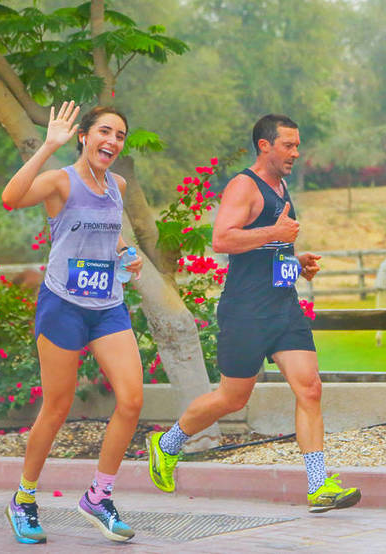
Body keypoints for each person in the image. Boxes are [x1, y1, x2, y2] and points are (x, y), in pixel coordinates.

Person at [145, 114, 361, 513]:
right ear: (265, 146)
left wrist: (296, 261)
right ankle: (168, 443)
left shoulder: (282, 188)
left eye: (297, 145)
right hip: (246, 311)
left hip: (283, 307)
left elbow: (267, 250)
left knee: (310, 388)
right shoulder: (244, 185)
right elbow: (222, 238)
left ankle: (318, 485)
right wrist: (275, 235)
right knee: (232, 397)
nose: (296, 152)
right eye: (288, 145)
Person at [0, 101, 143, 544]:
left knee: (132, 400)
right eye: (104, 131)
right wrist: (47, 146)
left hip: (107, 307)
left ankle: (99, 496)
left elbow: (105, 230)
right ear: (84, 135)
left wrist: (125, 254)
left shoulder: (116, 185)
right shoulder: (61, 180)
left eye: (119, 135)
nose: (112, 142)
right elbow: (10, 199)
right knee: (57, 408)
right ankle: (23, 499)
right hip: (62, 305)